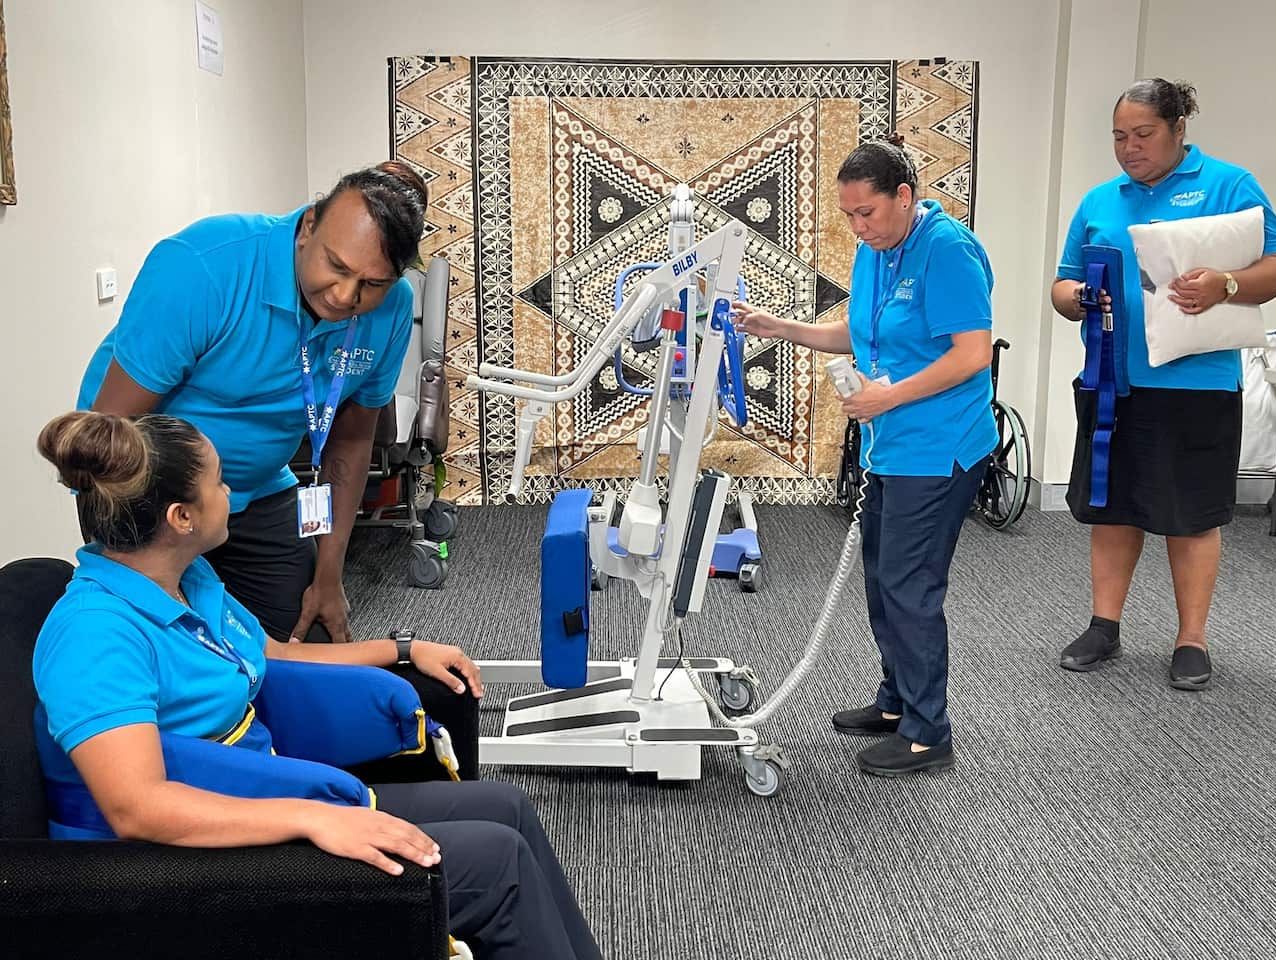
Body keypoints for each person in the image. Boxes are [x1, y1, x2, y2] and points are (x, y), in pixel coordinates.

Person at [33, 410, 602, 960]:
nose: (230, 492)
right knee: (499, 864)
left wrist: (403, 650)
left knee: (506, 806)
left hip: (264, 796)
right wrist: (313, 818)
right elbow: (137, 807)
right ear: (182, 518)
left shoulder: (188, 579)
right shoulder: (94, 636)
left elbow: (276, 657)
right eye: (218, 482)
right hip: (180, 868)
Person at [78, 161, 429, 646]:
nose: (346, 295)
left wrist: (330, 572)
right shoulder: (205, 265)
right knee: (174, 656)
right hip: (150, 489)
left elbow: (349, 441)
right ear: (308, 227)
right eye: (338, 267)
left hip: (260, 486)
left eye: (372, 284)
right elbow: (110, 426)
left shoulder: (390, 311)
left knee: (310, 637)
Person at [733, 137, 997, 777]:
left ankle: (928, 731)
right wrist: (781, 327)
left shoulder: (947, 251)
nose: (858, 227)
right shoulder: (875, 251)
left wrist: (889, 397)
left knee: (910, 587)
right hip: (893, 445)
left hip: (940, 448)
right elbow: (861, 330)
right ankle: (896, 703)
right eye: (849, 215)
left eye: (868, 213)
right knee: (883, 579)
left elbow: (973, 353)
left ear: (904, 196)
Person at [1052, 79, 1276, 690]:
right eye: (1119, 137)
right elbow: (1061, 284)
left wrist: (1226, 284)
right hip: (1111, 381)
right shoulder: (1100, 200)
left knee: (1191, 516)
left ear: (1179, 130)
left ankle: (1191, 639)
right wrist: (1075, 298)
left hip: (1197, 385)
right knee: (1113, 509)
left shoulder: (1230, 186)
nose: (1129, 148)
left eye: (1144, 135)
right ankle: (1104, 625)